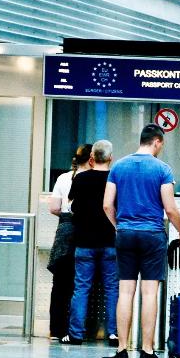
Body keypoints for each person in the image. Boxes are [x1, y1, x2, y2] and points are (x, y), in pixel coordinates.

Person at [103, 124, 180, 358]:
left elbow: (107, 204)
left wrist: (118, 226)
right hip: (152, 235)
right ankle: (148, 351)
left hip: (125, 233)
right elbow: (170, 208)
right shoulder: (162, 169)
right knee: (149, 293)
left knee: (125, 292)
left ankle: (121, 350)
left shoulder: (118, 166)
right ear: (157, 142)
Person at [61, 140, 119, 346]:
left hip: (84, 241)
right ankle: (114, 333)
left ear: (92, 158)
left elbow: (71, 207)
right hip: (110, 241)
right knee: (112, 288)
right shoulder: (115, 179)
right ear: (111, 158)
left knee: (81, 288)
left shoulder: (81, 178)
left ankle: (76, 334)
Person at [47, 144, 91, 340]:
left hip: (64, 231)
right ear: (91, 159)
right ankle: (77, 329)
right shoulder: (91, 179)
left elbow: (54, 207)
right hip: (84, 231)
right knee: (80, 283)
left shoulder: (63, 178)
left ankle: (56, 329)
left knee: (59, 285)